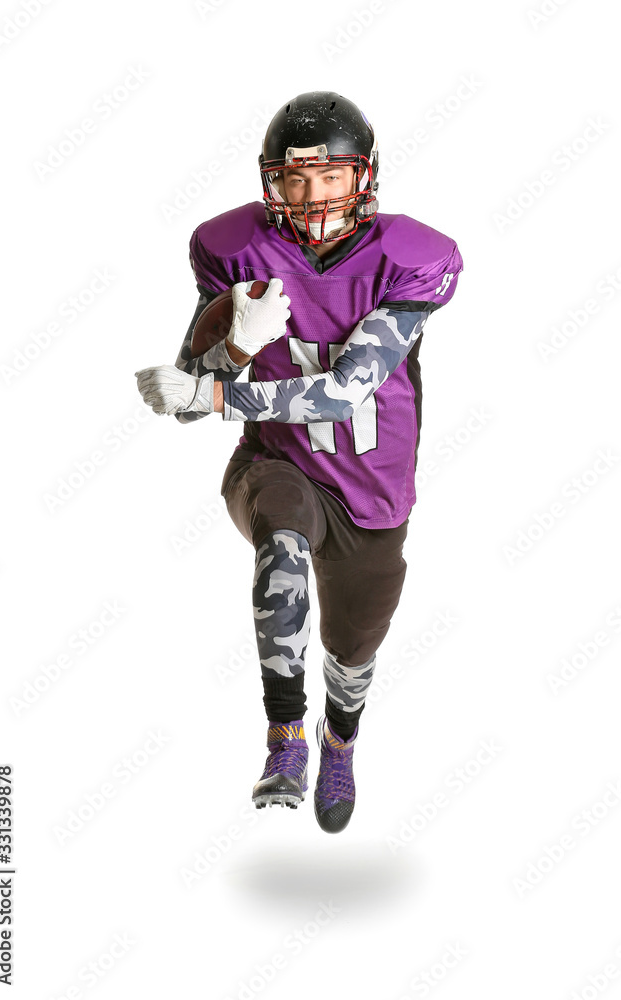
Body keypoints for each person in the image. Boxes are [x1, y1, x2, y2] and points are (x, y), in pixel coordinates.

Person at [135, 91, 463, 834]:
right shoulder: (233, 247)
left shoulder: (410, 257)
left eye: (329, 176)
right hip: (275, 465)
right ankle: (284, 735)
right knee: (279, 552)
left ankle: (337, 738)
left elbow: (344, 393)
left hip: (373, 491)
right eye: (292, 179)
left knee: (352, 655)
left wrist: (217, 390)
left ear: (365, 177)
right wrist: (235, 349)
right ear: (269, 182)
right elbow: (185, 398)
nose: (310, 195)